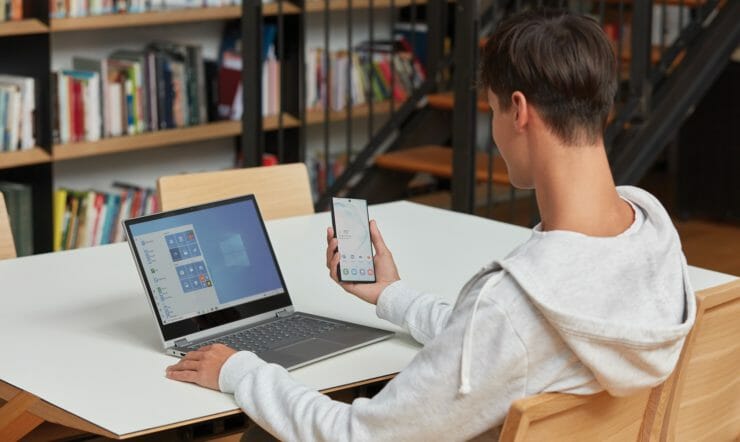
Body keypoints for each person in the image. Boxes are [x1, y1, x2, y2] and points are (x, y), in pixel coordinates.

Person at [165, 9, 695, 441]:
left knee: (266, 427)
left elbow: (358, 437)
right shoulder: (647, 230)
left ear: (519, 111)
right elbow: (508, 347)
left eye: (490, 110)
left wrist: (242, 372)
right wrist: (391, 295)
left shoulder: (512, 303)